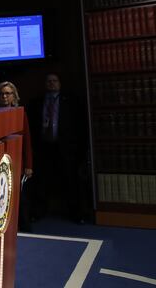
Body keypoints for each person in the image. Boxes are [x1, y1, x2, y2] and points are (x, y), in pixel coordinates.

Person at [27, 73, 89, 223]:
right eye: (49, 81)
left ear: (60, 83)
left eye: (55, 81)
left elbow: (79, 125)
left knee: (71, 181)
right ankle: (39, 211)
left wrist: (80, 149)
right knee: (42, 181)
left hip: (66, 148)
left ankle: (76, 213)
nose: (52, 83)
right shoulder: (37, 102)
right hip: (44, 148)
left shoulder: (71, 101)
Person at [0, 81, 34, 231]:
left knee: (20, 197)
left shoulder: (20, 113)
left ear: (14, 96)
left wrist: (28, 165)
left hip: (17, 162)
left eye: (7, 93)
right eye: (1, 94)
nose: (4, 96)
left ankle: (24, 225)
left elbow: (27, 141)